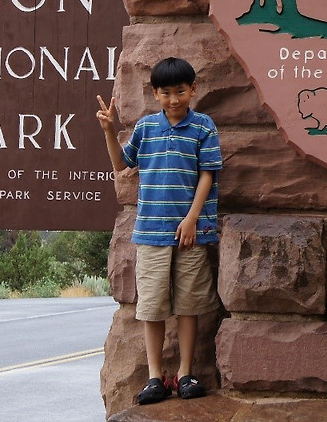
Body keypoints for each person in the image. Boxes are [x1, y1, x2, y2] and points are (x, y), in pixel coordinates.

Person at [96, 57, 222, 404]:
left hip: (191, 234)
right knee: (151, 307)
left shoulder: (204, 127)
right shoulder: (146, 127)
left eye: (180, 91)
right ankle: (155, 377)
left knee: (188, 305)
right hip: (151, 233)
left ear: (193, 89)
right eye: (165, 93)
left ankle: (185, 373)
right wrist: (109, 130)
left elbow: (208, 174)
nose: (173, 99)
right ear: (155, 94)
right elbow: (121, 164)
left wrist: (192, 219)